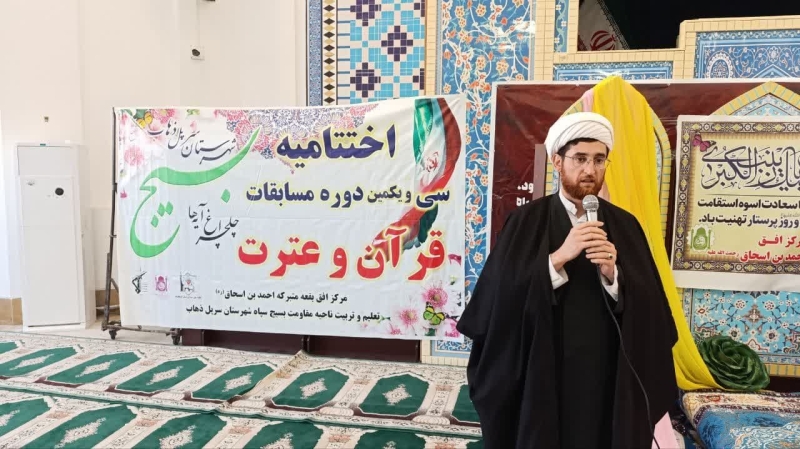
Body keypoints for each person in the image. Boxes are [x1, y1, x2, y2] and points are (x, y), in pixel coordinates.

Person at [456, 112, 679, 449]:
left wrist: (614, 276)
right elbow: (498, 301)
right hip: (543, 368)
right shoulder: (525, 221)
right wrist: (558, 257)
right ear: (558, 162)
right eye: (580, 159)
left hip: (606, 375)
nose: (590, 170)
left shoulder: (625, 225)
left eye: (599, 160)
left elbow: (653, 310)